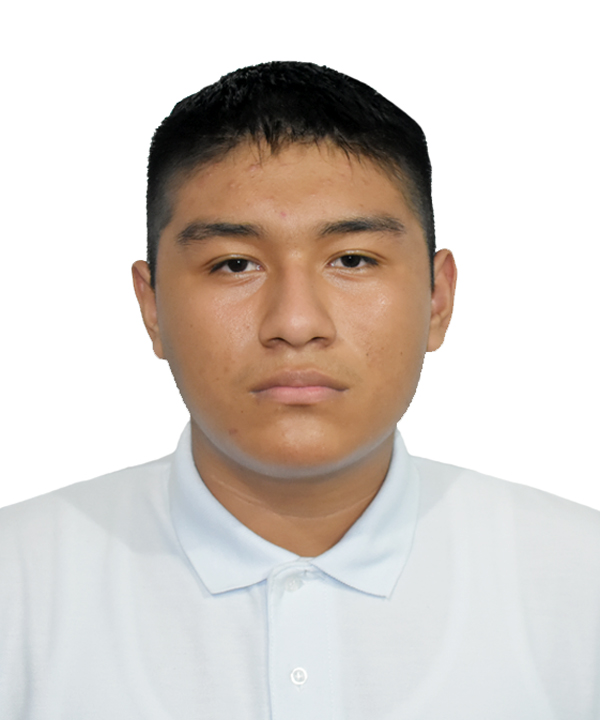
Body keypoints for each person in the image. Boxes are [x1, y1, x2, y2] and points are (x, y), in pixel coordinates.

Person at [1, 61, 599, 720]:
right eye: (235, 264)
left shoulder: (580, 579)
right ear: (153, 307)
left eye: (352, 260)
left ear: (437, 298)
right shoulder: (18, 585)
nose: (295, 323)